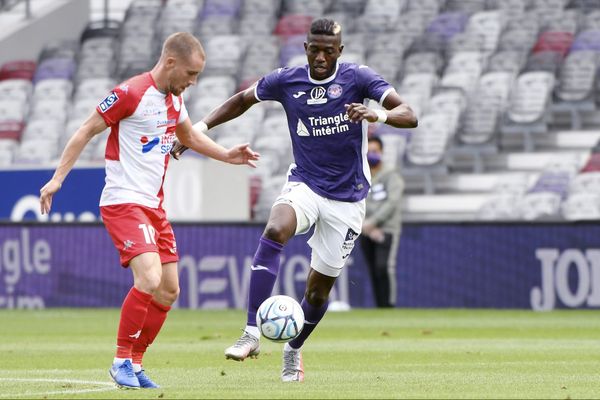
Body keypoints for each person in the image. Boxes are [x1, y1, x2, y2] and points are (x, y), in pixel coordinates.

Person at [171, 18, 417, 382]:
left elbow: (409, 115)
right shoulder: (287, 80)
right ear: (305, 48)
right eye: (314, 49)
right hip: (305, 183)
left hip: (347, 199)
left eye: (328, 51)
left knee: (317, 293)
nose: (320, 57)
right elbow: (241, 100)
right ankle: (251, 332)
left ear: (340, 52)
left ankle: (294, 349)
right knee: (275, 228)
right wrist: (195, 132)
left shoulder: (359, 78)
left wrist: (376, 113)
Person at [39, 32, 259, 389]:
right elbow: (85, 131)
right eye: (190, 74)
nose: (193, 82)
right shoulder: (129, 93)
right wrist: (57, 180)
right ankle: (120, 360)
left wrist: (227, 155)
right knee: (149, 278)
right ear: (170, 63)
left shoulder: (175, 100)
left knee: (169, 289)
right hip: (123, 201)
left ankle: (136, 364)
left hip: (153, 206)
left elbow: (188, 137)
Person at [359, 135, 404, 308]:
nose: (372, 154)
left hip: (386, 229)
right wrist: (365, 226)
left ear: (382, 152)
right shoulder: (361, 174)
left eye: (375, 151)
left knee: (384, 267)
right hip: (365, 229)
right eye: (368, 151)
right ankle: (379, 306)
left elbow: (393, 202)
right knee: (372, 269)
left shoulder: (391, 175)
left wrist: (374, 222)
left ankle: (388, 305)